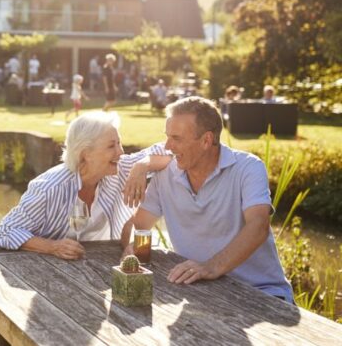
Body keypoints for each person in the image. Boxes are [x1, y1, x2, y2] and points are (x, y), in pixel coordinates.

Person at [121, 97, 294, 302]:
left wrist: (211, 267)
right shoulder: (166, 175)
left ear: (206, 140)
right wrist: (132, 246)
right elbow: (139, 224)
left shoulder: (248, 168)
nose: (167, 146)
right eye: (167, 137)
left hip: (262, 294)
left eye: (176, 138)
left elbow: (258, 226)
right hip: (202, 292)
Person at [0, 112, 171, 259]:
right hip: (52, 272)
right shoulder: (49, 188)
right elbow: (6, 230)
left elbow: (171, 151)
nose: (121, 152)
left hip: (104, 264)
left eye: (119, 143)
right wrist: (52, 247)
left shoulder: (122, 167)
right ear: (85, 153)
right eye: (111, 146)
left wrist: (142, 166)